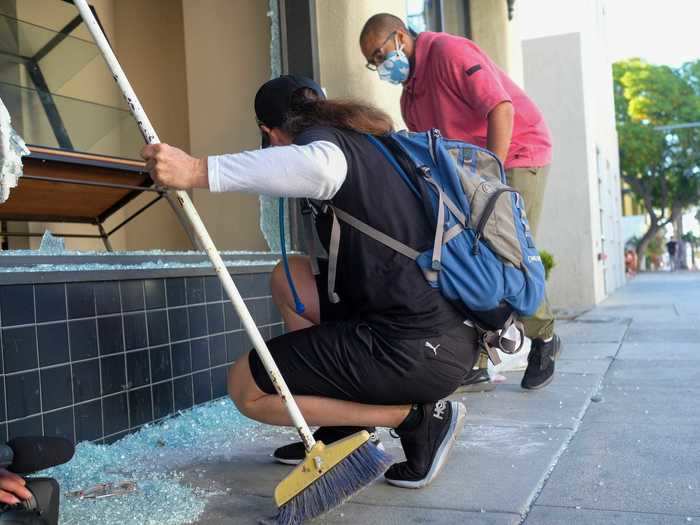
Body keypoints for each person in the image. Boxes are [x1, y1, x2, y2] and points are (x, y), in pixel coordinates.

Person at [142, 75, 479, 488]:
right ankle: (341, 426)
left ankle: (417, 418)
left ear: (270, 132)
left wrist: (195, 170)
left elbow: (317, 166)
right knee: (291, 277)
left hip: (414, 350)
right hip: (442, 332)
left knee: (246, 389)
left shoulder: (328, 149)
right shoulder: (367, 142)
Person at [359, 14, 561, 392]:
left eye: (380, 53)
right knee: (468, 257)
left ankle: (545, 338)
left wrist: (492, 181)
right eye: (373, 62)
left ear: (400, 36)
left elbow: (500, 108)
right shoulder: (410, 98)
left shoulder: (449, 51)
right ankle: (481, 359)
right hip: (469, 175)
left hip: (517, 152)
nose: (380, 65)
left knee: (507, 252)